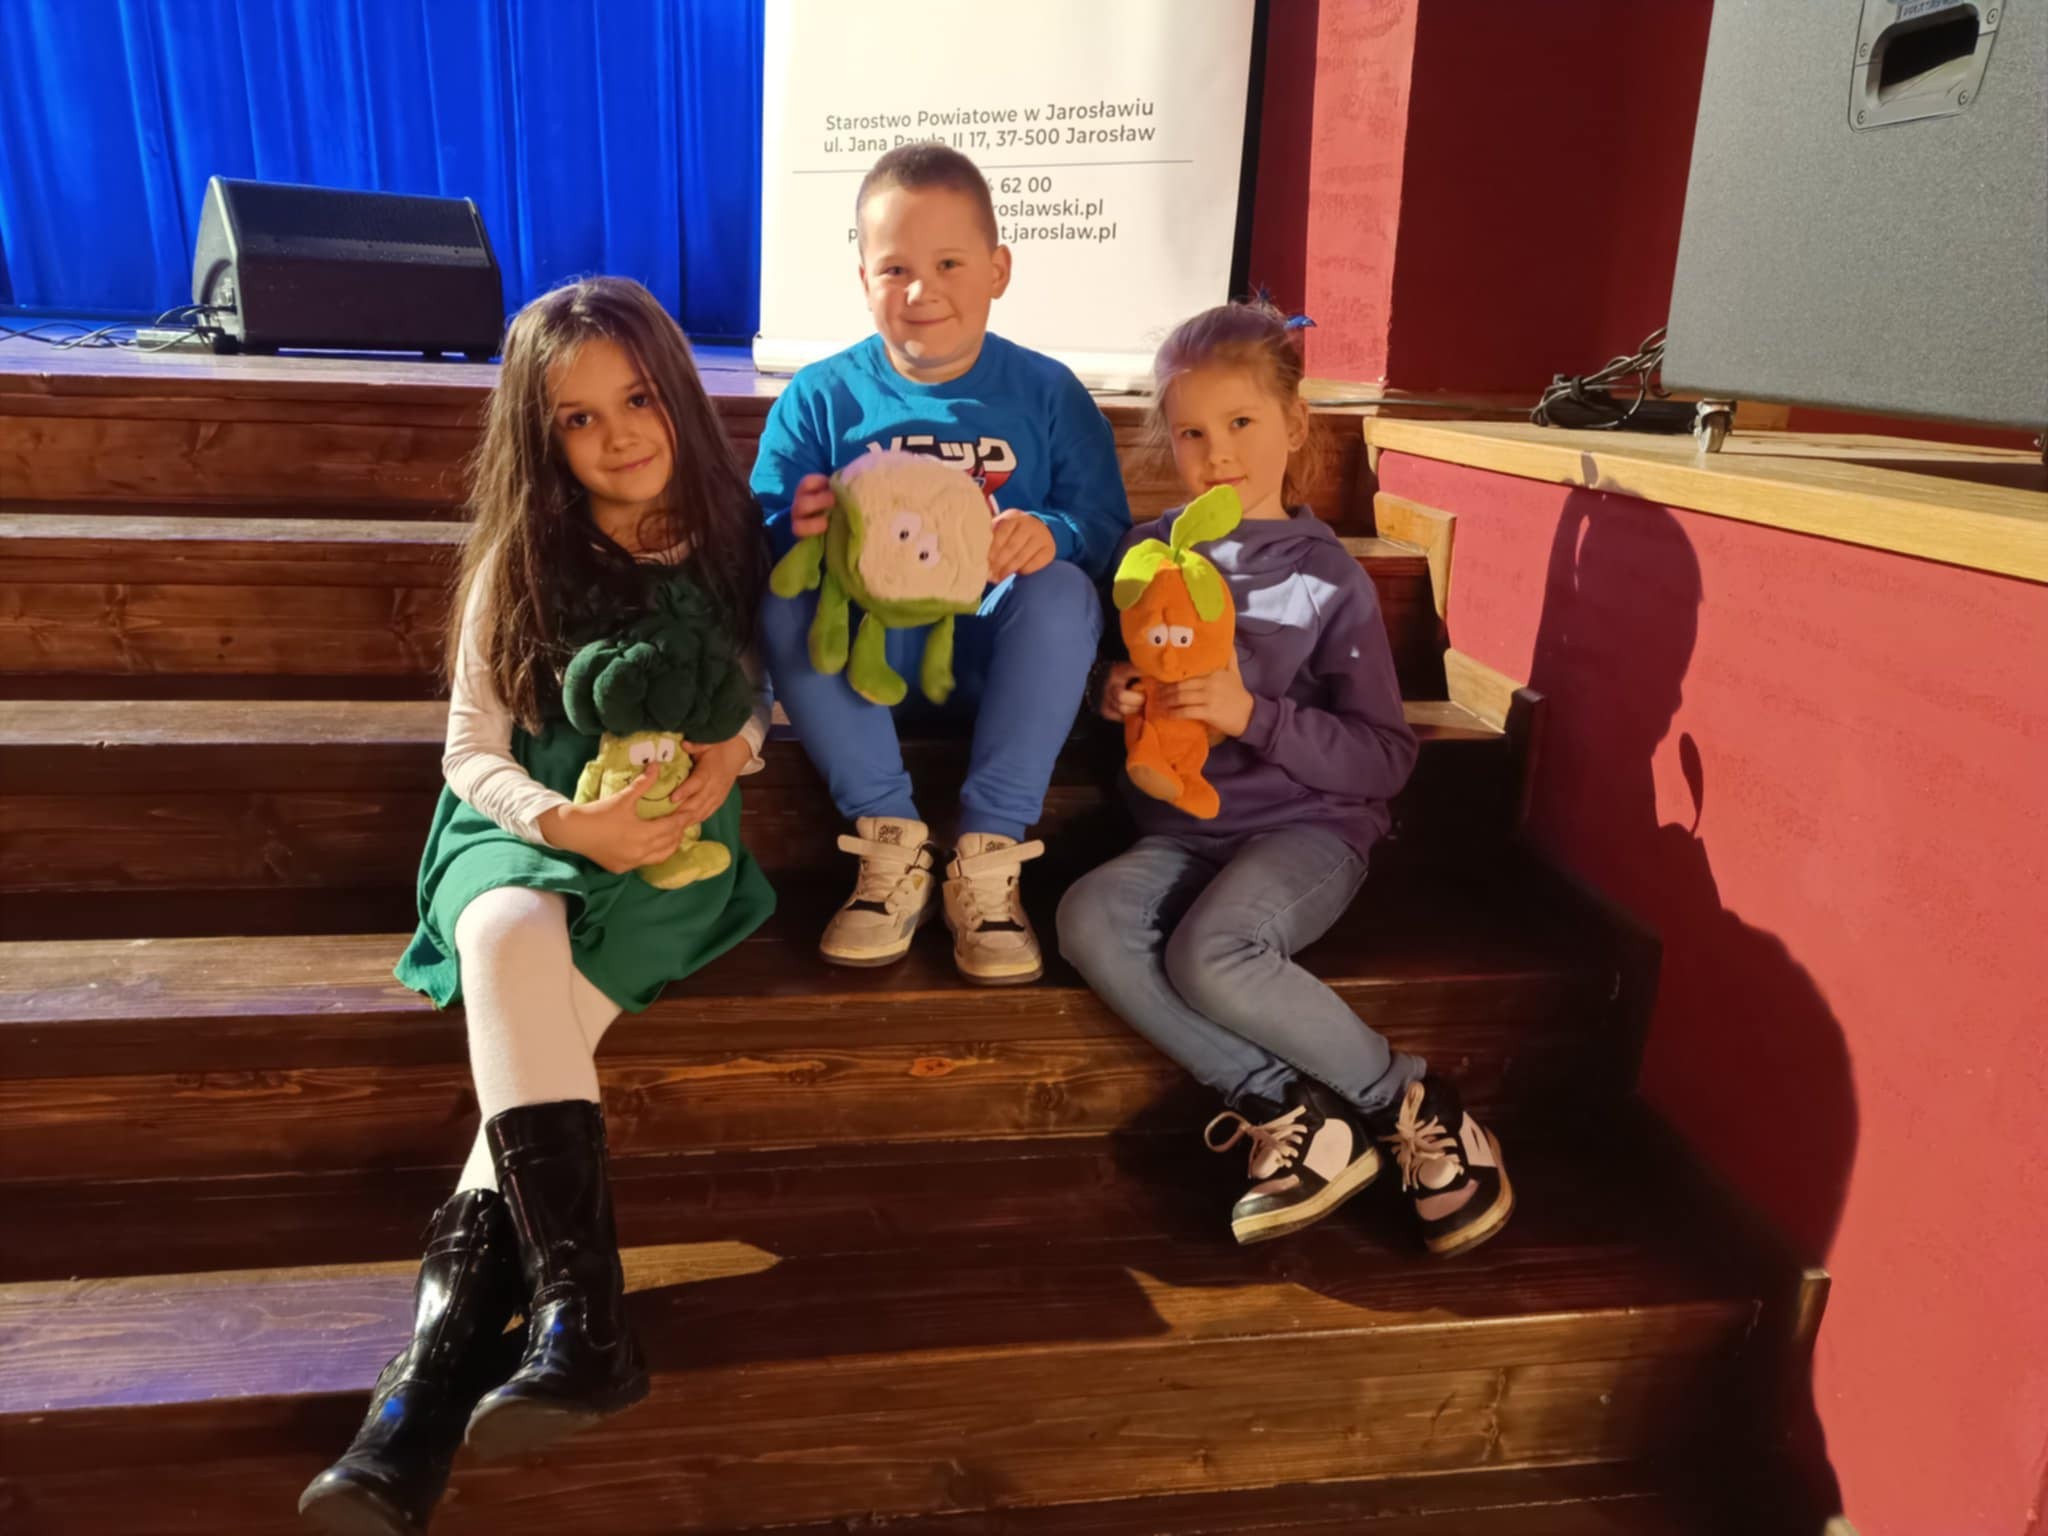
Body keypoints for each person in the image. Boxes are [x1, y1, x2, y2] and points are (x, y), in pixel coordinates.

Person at [299, 277, 777, 1535]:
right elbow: (470, 752)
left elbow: (756, 699)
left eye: (638, 399)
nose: (618, 435)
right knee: (510, 928)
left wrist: (724, 761)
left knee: (530, 1060)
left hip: (669, 833)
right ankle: (581, 1312)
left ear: (679, 396)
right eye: (577, 417)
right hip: (521, 823)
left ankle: (419, 1403)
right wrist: (564, 824)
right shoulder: (519, 558)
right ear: (539, 436)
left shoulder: (732, 537)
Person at [1057, 302, 1513, 1255]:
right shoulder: (1145, 558)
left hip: (1308, 831)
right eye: (1191, 432)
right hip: (1181, 832)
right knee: (1086, 915)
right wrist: (1111, 690)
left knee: (1210, 952)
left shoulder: (1327, 578)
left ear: (1295, 425)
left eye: (1240, 422)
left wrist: (1254, 716)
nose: (1216, 452)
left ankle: (1411, 1101)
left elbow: (1384, 756)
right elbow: (1117, 671)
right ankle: (1290, 1105)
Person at [751, 144, 1129, 985]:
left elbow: (1105, 525)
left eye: (949, 264)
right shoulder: (820, 396)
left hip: (996, 658)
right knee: (788, 602)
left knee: (1063, 591)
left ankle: (988, 854)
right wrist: (797, 527)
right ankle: (891, 844)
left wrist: (1054, 533)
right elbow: (761, 527)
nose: (922, 291)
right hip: (867, 660)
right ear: (863, 280)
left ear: (998, 270)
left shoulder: (1049, 393)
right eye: (895, 269)